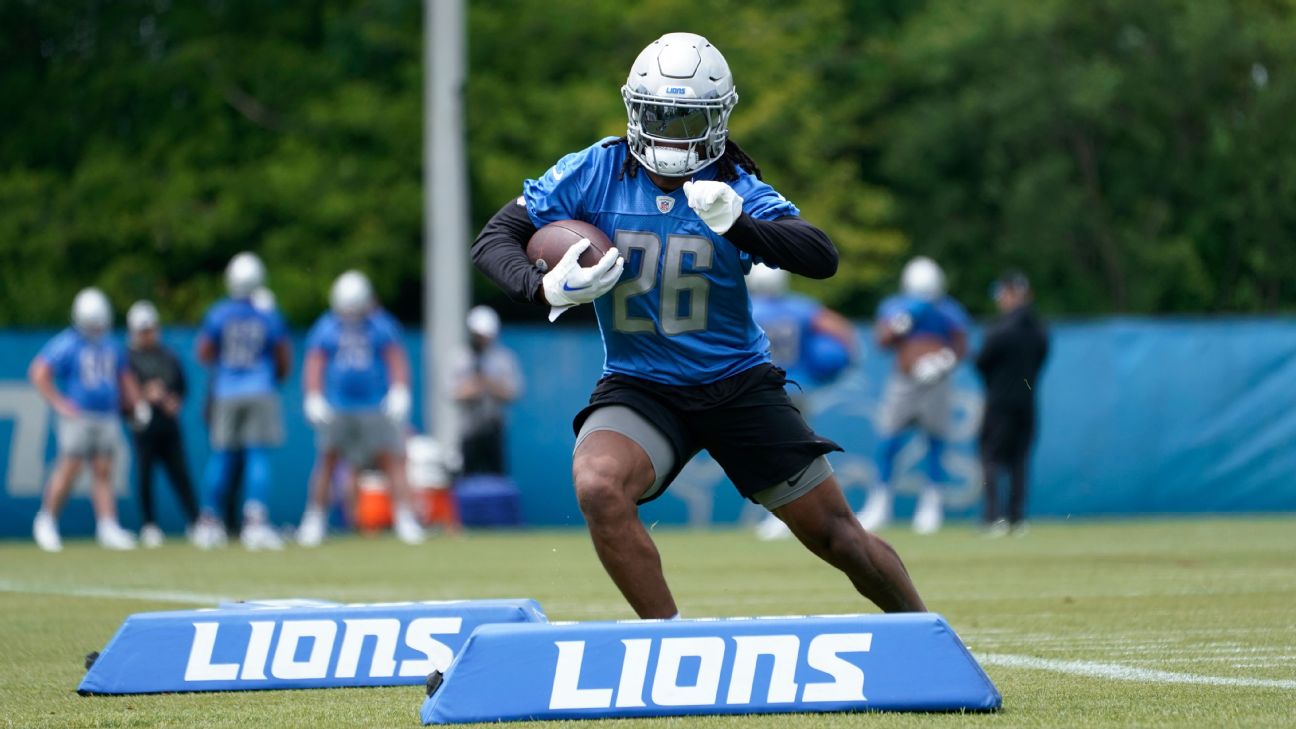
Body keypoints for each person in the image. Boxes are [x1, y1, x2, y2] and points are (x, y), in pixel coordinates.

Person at [471, 32, 926, 617]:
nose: (669, 130)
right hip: (642, 385)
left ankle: (927, 634)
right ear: (634, 110)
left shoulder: (731, 186)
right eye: (659, 113)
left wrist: (740, 225)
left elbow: (821, 255)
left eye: (688, 118)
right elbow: (493, 239)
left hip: (737, 383)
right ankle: (671, 644)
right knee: (598, 486)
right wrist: (542, 287)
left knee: (839, 537)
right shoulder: (594, 172)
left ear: (717, 118)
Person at [298, 270, 424, 546]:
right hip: (338, 405)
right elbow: (315, 361)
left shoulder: (380, 325)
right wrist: (313, 395)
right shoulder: (326, 325)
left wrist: (400, 389)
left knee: (393, 460)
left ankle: (405, 518)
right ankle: (315, 518)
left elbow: (395, 358)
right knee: (328, 461)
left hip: (375, 405)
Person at [856, 256, 970, 535]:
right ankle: (880, 504)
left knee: (935, 441)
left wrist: (945, 360)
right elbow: (882, 342)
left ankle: (931, 506)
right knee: (889, 441)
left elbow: (960, 344)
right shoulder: (895, 306)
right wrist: (897, 328)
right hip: (903, 381)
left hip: (937, 383)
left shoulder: (948, 310)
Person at [746, 264, 860, 541]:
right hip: (797, 386)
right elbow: (840, 329)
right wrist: (850, 359)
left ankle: (787, 516)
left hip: (761, 388)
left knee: (772, 457)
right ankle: (798, 514)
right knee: (798, 456)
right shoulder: (800, 308)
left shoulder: (747, 308)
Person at [29, 287, 147, 551]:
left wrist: (137, 403)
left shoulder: (110, 344)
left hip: (107, 414)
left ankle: (107, 525)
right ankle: (46, 520)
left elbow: (124, 376)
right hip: (79, 415)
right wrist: (59, 403)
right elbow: (38, 371)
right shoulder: (68, 342)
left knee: (104, 471)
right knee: (69, 467)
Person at [193, 252, 292, 550]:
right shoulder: (268, 315)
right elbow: (283, 356)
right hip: (260, 387)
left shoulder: (219, 313)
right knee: (257, 455)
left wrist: (226, 365)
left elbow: (204, 352)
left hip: (227, 389)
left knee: (222, 456)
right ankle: (255, 523)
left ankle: (209, 522)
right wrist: (271, 377)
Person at [976, 270, 1049, 535]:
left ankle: (994, 517)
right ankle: (1017, 518)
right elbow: (1041, 359)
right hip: (1027, 403)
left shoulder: (1000, 330)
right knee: (1019, 459)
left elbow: (981, 362)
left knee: (992, 458)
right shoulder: (1039, 329)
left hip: (999, 402)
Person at [125, 300, 199, 547]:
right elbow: (124, 392)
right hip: (143, 426)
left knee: (181, 474)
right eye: (143, 330)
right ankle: (149, 525)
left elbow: (181, 387)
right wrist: (145, 394)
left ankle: (196, 522)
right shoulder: (127, 358)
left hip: (168, 425)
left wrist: (172, 400)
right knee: (145, 475)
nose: (148, 334)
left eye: (150, 329)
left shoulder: (168, 355)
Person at [450, 305, 523, 476]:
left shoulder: (504, 359)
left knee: (496, 477)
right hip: (468, 430)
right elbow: (452, 392)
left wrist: (487, 383)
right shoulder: (459, 358)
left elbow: (513, 392)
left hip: (495, 428)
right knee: (467, 478)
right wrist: (475, 387)